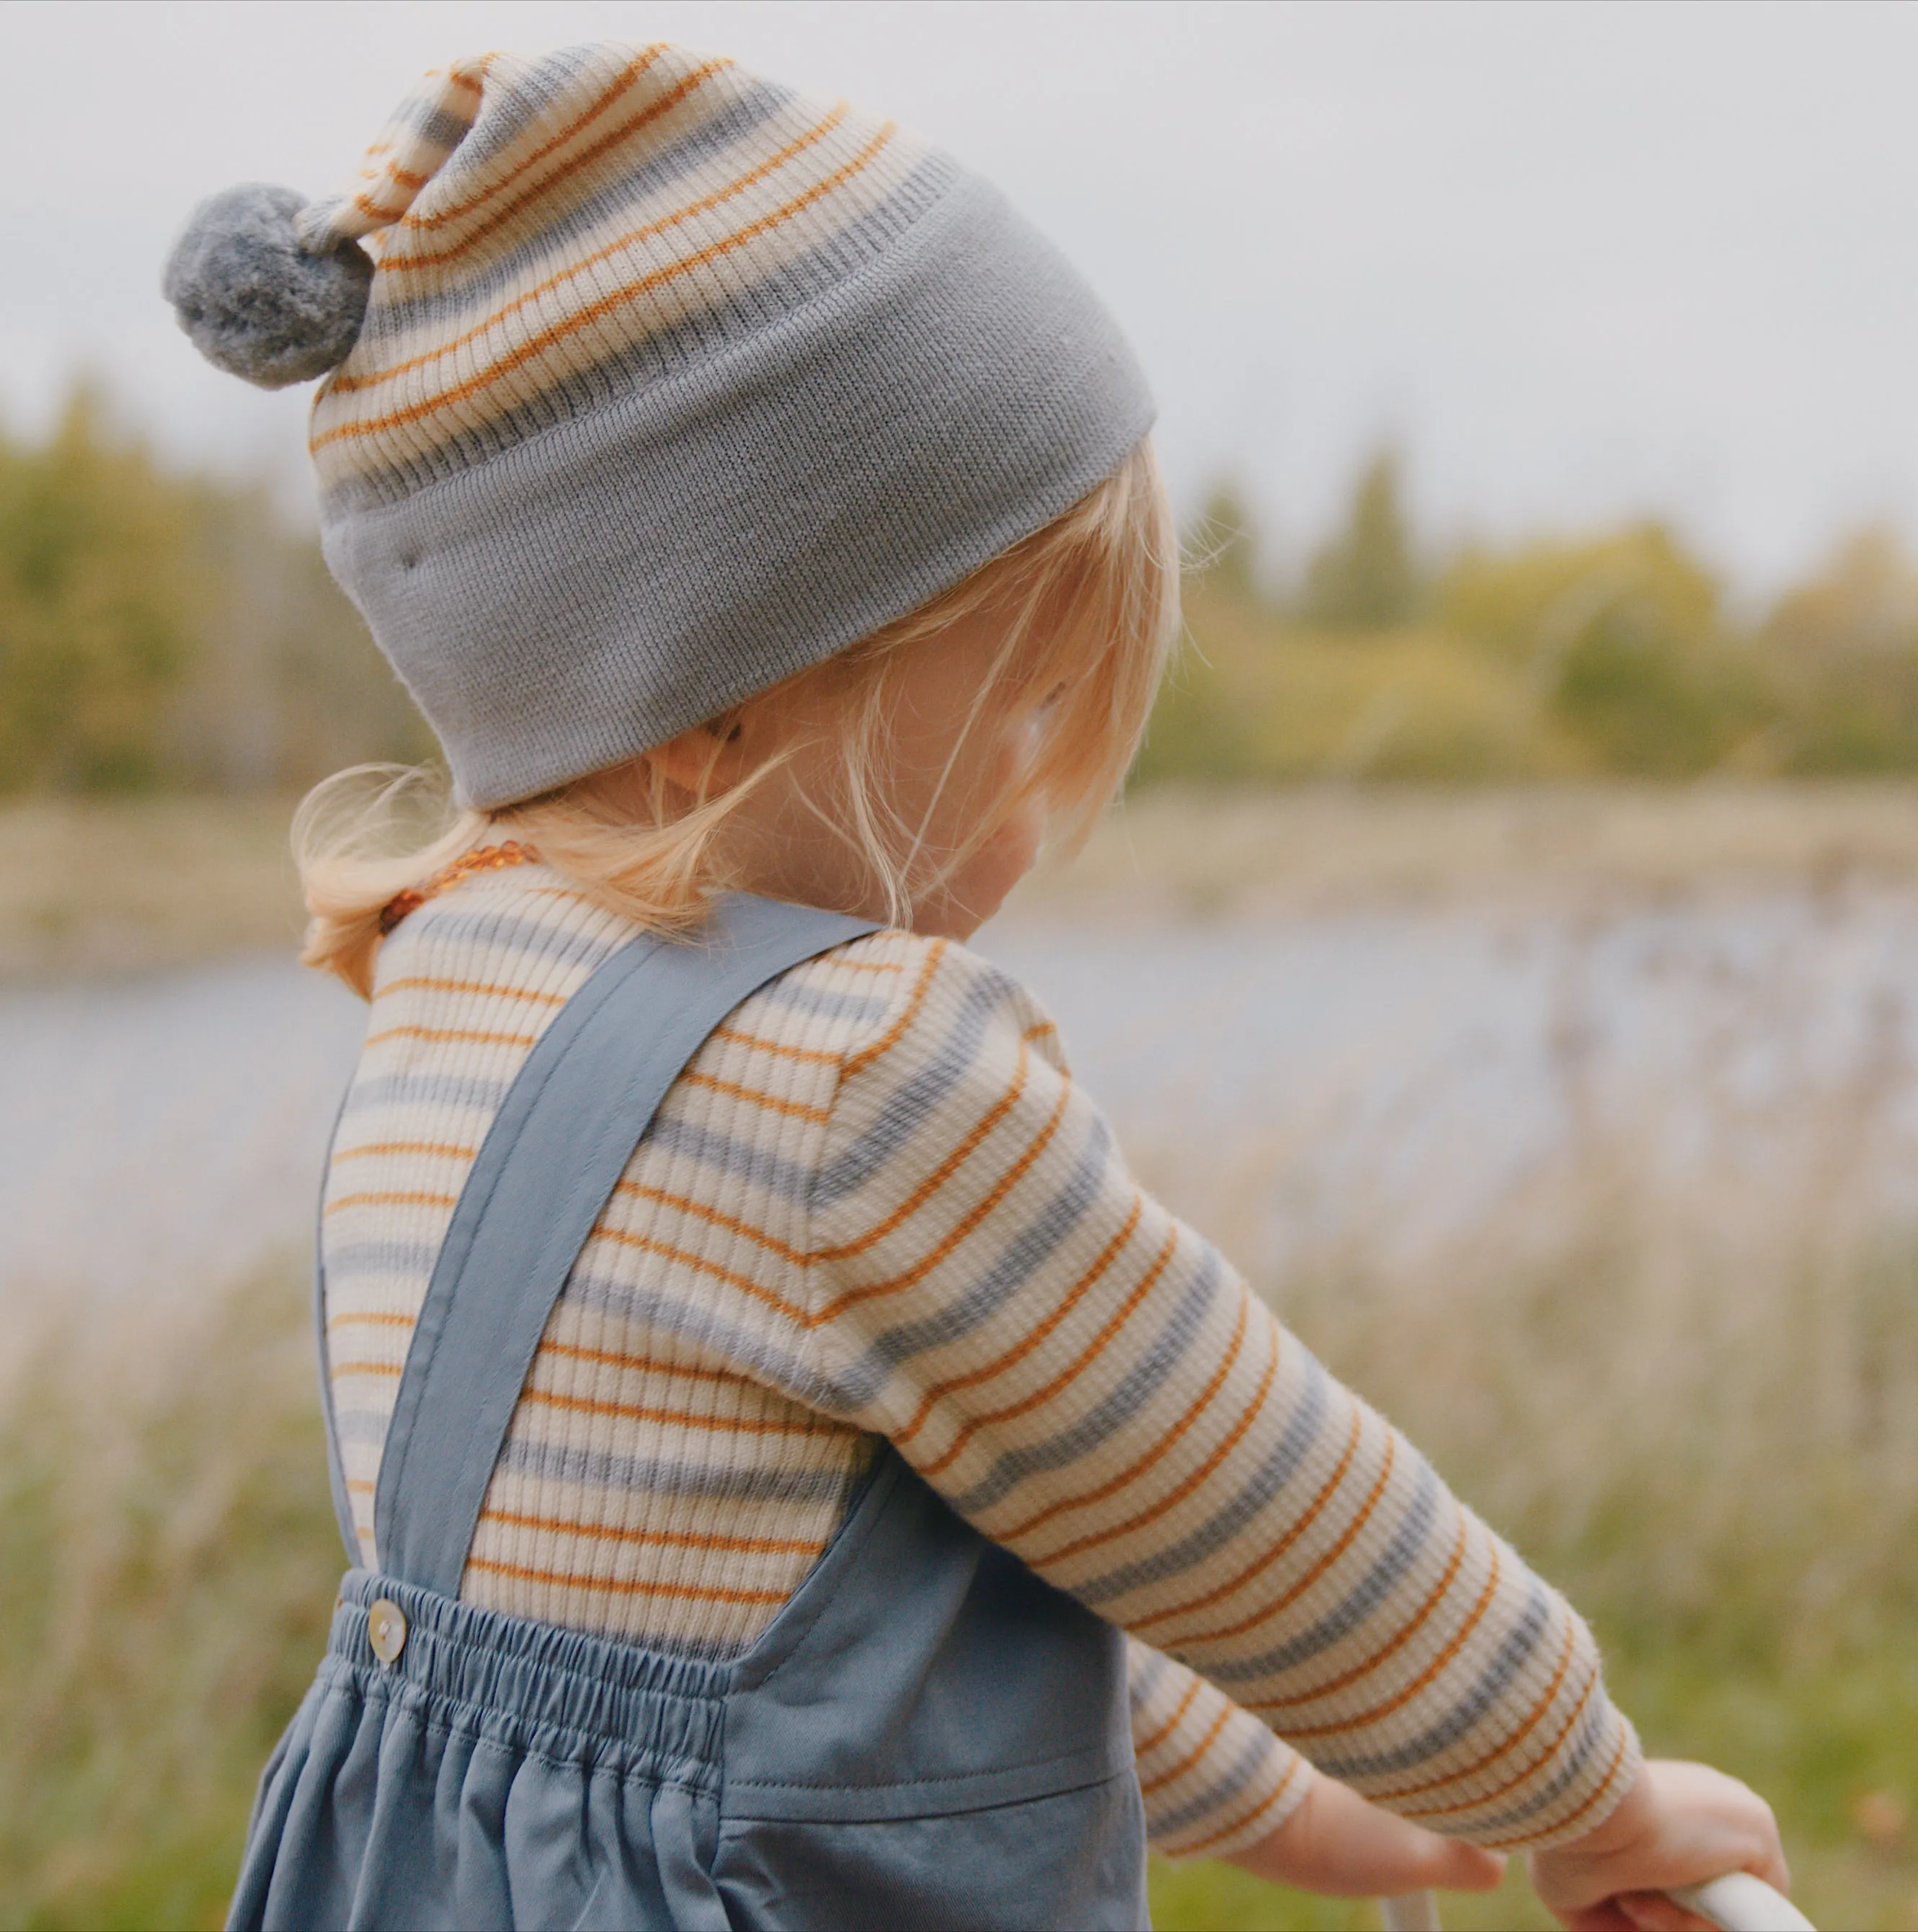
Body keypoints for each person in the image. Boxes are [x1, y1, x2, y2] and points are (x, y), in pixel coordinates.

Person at [164, 37, 1787, 1932]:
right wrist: (1576, 1784)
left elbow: (929, 1583)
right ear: (716, 689)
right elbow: (1247, 1500)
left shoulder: (436, 1008)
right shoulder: (857, 1074)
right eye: (1023, 712)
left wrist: (1299, 1808)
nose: (1044, 813)